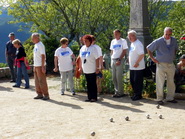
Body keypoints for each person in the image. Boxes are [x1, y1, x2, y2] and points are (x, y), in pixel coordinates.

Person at [147, 27, 178, 105]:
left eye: (169, 34)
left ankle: (170, 98)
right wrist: (152, 58)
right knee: (160, 82)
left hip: (170, 63)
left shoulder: (174, 40)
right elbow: (148, 48)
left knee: (171, 82)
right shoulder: (158, 41)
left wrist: (173, 56)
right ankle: (159, 98)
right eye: (166, 34)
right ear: (163, 33)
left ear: (171, 34)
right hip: (161, 64)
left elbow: (175, 49)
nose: (167, 36)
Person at [79, 35, 100, 102]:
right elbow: (80, 58)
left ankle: (94, 97)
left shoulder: (93, 48)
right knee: (88, 83)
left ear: (90, 41)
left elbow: (97, 58)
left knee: (93, 83)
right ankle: (89, 96)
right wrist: (80, 67)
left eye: (86, 41)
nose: (85, 42)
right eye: (84, 41)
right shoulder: (82, 48)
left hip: (92, 68)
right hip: (85, 68)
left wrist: (97, 67)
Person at [110, 29, 128, 98]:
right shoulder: (113, 41)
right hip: (113, 59)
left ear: (119, 34)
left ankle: (120, 92)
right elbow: (112, 50)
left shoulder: (123, 41)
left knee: (118, 76)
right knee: (114, 77)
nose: (115, 35)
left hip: (119, 59)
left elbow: (124, 51)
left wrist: (119, 59)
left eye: (116, 34)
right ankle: (116, 91)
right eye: (114, 34)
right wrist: (112, 57)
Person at [128, 30, 145, 101]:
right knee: (133, 81)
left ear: (134, 36)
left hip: (138, 67)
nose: (129, 38)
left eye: (130, 36)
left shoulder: (138, 44)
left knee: (137, 81)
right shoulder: (132, 43)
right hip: (132, 67)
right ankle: (135, 94)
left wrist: (137, 62)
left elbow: (142, 54)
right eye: (128, 36)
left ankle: (138, 95)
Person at [31, 33, 50, 100]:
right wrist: (34, 66)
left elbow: (43, 56)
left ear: (37, 38)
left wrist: (42, 66)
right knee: (36, 81)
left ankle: (46, 95)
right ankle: (39, 94)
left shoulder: (40, 45)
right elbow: (35, 56)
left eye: (33, 38)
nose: (32, 39)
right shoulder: (36, 45)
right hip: (36, 65)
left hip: (40, 65)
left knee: (42, 80)